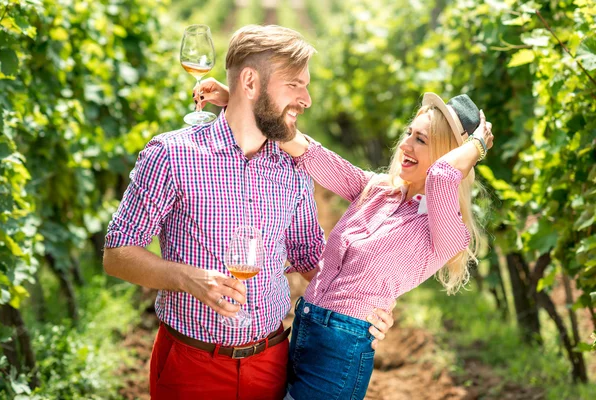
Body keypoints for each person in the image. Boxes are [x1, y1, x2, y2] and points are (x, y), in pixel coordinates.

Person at [103, 25, 392, 400]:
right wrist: (189, 279)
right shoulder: (172, 154)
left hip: (272, 362)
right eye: (294, 85)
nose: (306, 99)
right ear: (251, 82)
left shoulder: (293, 168)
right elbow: (117, 255)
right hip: (191, 366)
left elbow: (309, 259)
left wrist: (363, 305)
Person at [197, 81, 493, 399]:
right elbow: (304, 148)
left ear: (449, 155)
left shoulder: (446, 231)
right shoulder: (376, 189)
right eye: (409, 133)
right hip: (303, 329)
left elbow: (442, 176)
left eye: (421, 140)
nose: (406, 145)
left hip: (340, 352)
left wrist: (477, 147)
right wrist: (238, 101)